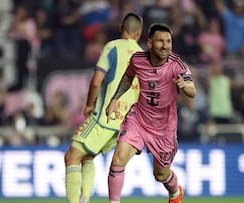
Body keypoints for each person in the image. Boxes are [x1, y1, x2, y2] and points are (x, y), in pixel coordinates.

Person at [105, 23, 196, 203]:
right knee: (118, 158)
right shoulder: (137, 60)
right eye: (160, 41)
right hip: (138, 119)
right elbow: (128, 77)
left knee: (161, 174)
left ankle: (175, 193)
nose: (165, 46)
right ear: (149, 43)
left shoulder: (177, 64)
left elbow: (192, 90)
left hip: (164, 129)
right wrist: (115, 99)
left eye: (168, 41)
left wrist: (186, 86)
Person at [64, 12, 144, 203]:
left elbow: (96, 82)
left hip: (105, 118)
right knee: (88, 156)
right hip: (126, 125)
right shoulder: (143, 56)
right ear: (139, 33)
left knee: (71, 157)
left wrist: (89, 105)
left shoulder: (113, 46)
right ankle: (84, 198)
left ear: (120, 28)